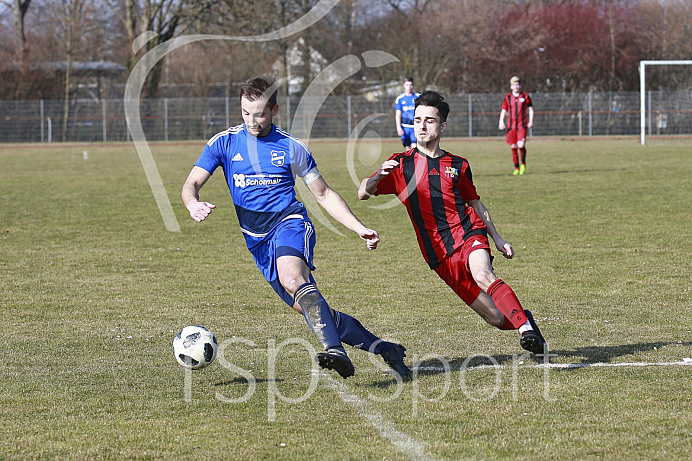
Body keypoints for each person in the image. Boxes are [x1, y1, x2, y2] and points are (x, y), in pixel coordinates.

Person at [182, 75, 410, 379]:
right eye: (246, 112)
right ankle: (386, 350)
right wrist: (192, 203)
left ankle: (335, 351)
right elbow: (191, 183)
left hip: (289, 223)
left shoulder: (291, 147)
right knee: (314, 311)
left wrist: (358, 227)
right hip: (256, 240)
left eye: (260, 113)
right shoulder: (223, 143)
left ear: (275, 110)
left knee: (293, 278)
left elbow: (324, 194)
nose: (252, 120)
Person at [359, 91, 547, 355]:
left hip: (468, 233)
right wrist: (378, 175)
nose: (422, 126)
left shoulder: (458, 165)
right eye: (417, 120)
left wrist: (497, 237)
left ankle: (525, 330)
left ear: (442, 126)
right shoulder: (400, 164)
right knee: (495, 317)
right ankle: (524, 319)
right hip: (438, 255)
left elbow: (476, 204)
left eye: (429, 120)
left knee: (483, 274)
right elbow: (362, 192)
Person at [498, 76, 533, 175]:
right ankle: (516, 168)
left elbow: (530, 109)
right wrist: (501, 121)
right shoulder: (507, 97)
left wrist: (531, 121)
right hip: (511, 126)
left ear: (520, 85)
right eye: (514, 84)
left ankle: (523, 164)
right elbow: (504, 110)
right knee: (513, 146)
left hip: (522, 125)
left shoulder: (525, 96)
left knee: (521, 145)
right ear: (511, 86)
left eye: (517, 84)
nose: (516, 86)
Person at [395, 77, 421, 150]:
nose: (409, 87)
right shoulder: (400, 99)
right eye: (407, 85)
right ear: (404, 85)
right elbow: (398, 114)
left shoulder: (419, 97)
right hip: (405, 127)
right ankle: (410, 161)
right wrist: (398, 126)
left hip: (415, 127)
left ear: (413, 86)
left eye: (411, 85)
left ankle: (415, 161)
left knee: (414, 147)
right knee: (407, 148)